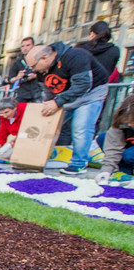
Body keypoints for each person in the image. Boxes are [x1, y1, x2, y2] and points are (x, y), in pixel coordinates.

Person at [26, 42, 109, 175]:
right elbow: (48, 90)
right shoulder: (43, 70)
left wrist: (57, 102)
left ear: (44, 58)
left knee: (80, 127)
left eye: (34, 66)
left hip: (90, 94)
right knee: (49, 125)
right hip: (65, 96)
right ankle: (36, 158)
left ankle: (79, 163)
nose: (33, 70)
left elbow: (83, 85)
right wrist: (47, 103)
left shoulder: (76, 56)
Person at [93, 95, 134, 185]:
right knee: (103, 138)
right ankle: (124, 172)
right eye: (127, 122)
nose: (130, 125)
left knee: (129, 154)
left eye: (133, 122)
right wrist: (106, 170)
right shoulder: (121, 123)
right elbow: (113, 148)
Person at [0, 96, 27, 163]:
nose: (5, 116)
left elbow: (27, 131)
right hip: (17, 138)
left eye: (6, 112)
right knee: (1, 155)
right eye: (1, 113)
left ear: (15, 108)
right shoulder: (3, 117)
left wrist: (10, 145)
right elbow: (3, 130)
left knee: (12, 155)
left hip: (26, 138)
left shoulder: (24, 111)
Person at [4, 37, 42, 103]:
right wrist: (18, 77)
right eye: (22, 46)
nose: (25, 48)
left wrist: (35, 76)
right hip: (23, 94)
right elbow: (10, 79)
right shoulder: (18, 62)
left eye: (28, 45)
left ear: (34, 46)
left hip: (39, 93)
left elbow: (47, 74)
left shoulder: (40, 59)